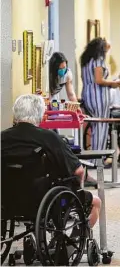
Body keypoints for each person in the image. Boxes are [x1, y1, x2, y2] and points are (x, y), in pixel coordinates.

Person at [1, 94, 101, 228]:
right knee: (96, 202)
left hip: (7, 200)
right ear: (41, 115)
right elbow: (78, 171)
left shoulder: (3, 138)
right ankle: (74, 240)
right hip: (44, 200)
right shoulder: (49, 138)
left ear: (15, 114)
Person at [80, 37, 120, 165]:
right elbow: (99, 80)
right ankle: (98, 159)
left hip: (88, 94)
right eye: (107, 48)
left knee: (95, 125)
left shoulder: (86, 61)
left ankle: (94, 158)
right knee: (101, 126)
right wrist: (114, 83)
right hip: (98, 97)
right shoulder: (98, 61)